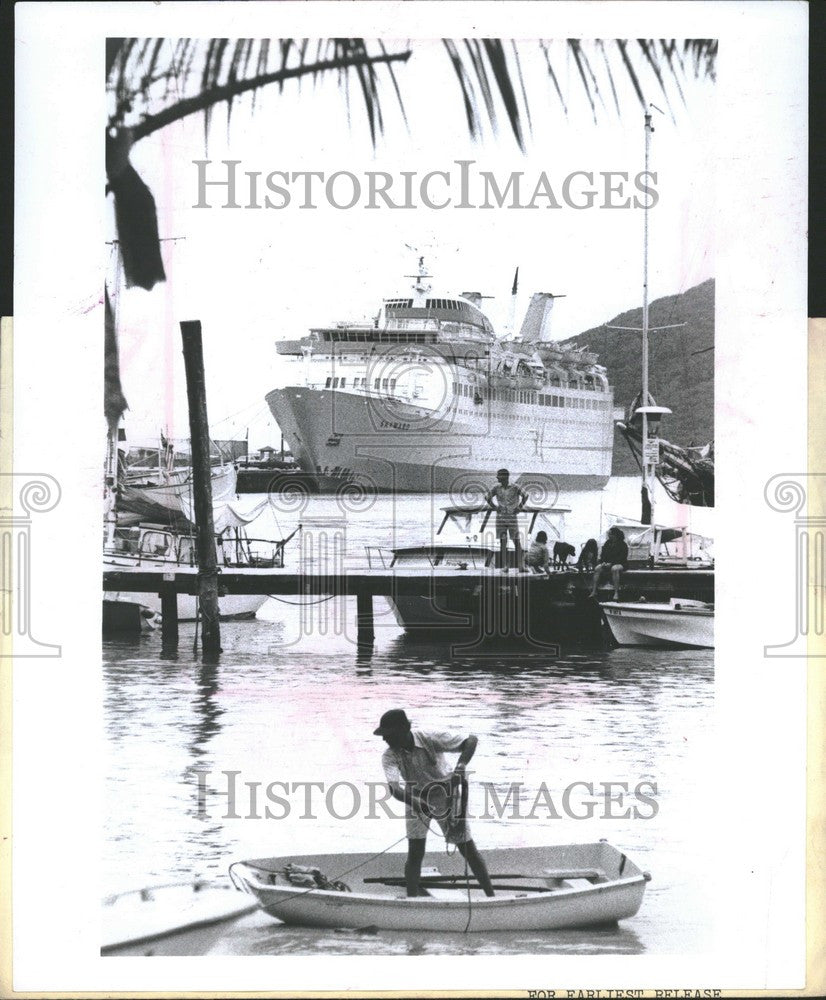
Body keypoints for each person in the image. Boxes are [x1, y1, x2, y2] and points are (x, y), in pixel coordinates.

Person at [374, 709, 494, 898]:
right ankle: (411, 901)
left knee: (466, 847)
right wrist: (415, 802)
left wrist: (461, 766)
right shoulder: (389, 755)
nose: (385, 740)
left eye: (389, 735)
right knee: (415, 851)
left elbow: (471, 740)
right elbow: (395, 789)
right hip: (415, 796)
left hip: (445, 794)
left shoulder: (429, 737)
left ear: (405, 729)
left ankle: (490, 897)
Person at [485, 468, 527, 572]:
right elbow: (487, 497)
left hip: (512, 517)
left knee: (516, 541)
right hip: (500, 518)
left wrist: (519, 507)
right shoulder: (496, 488)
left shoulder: (515, 487)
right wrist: (494, 507)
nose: (497, 477)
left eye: (499, 475)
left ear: (505, 476)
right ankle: (505, 566)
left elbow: (525, 495)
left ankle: (521, 566)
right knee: (503, 542)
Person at [589, 525, 629, 601]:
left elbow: (622, 557)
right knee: (597, 568)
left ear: (615, 535)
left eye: (610, 534)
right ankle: (594, 591)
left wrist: (611, 563)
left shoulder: (623, 544)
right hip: (608, 563)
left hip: (621, 563)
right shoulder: (607, 543)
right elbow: (603, 554)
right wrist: (603, 562)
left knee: (614, 569)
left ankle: (616, 593)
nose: (608, 536)